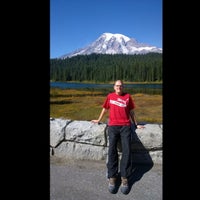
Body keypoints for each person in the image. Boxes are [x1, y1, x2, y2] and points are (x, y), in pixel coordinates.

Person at [91, 80, 144, 194]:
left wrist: (136, 124)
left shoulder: (128, 97)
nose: (119, 87)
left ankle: (124, 177)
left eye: (120, 86)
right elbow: (105, 108)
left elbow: (131, 112)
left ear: (123, 87)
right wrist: (99, 120)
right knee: (112, 150)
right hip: (113, 126)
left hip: (125, 126)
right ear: (114, 87)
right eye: (117, 86)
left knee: (127, 151)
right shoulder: (110, 96)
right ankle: (112, 176)